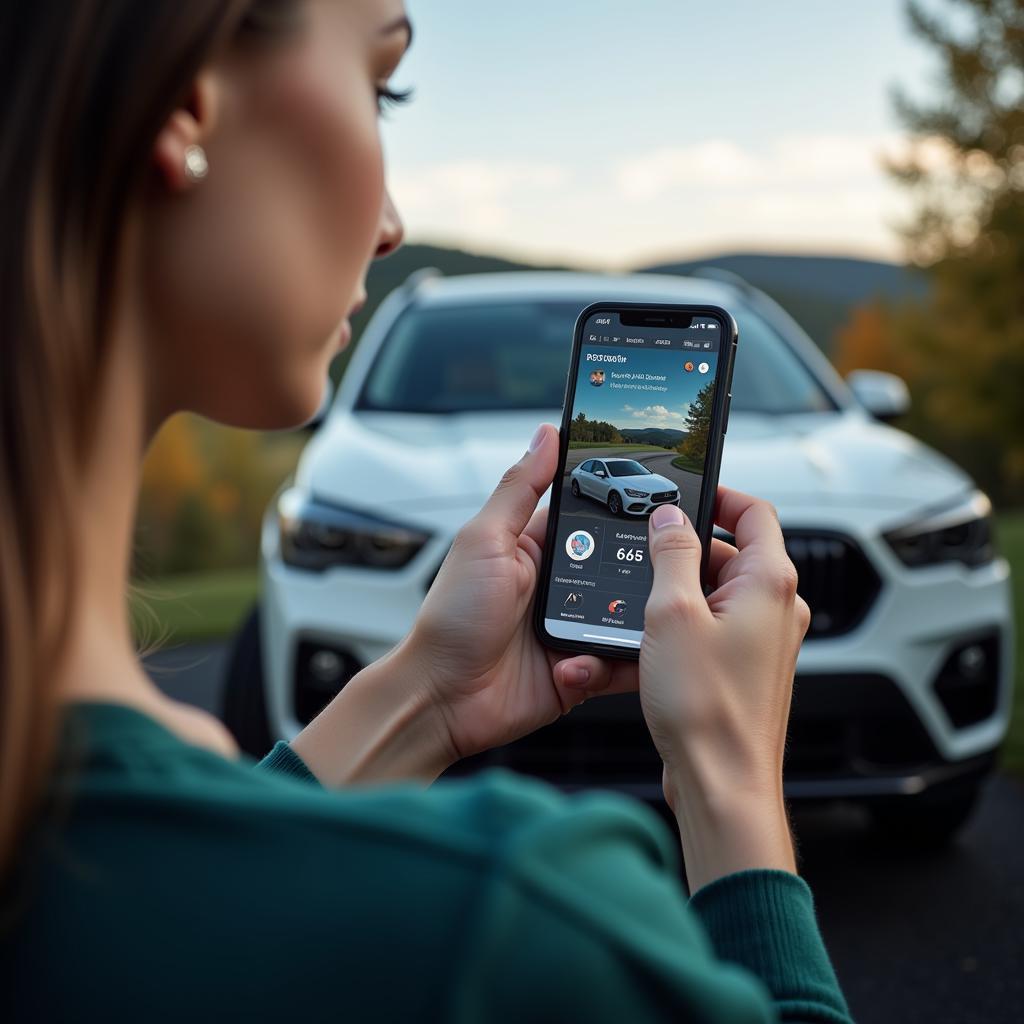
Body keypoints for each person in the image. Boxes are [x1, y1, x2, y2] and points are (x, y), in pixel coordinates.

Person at [0, 2, 852, 1021]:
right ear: (187, 106)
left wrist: (426, 698)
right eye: (380, 83)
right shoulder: (512, 920)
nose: (394, 221)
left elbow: (180, 868)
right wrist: (727, 777)